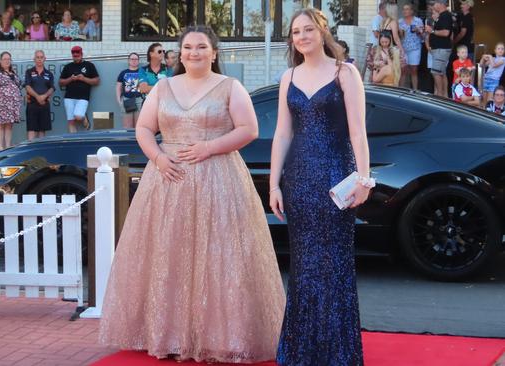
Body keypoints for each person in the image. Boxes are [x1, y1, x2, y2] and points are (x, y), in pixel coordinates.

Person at [99, 25, 285, 363]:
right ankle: (167, 334)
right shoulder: (164, 87)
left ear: (214, 52)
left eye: (201, 47)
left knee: (219, 258)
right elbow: (143, 127)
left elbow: (249, 129)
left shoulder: (230, 87)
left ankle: (221, 336)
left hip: (219, 181)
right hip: (168, 180)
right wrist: (156, 157)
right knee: (168, 255)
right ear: (179, 54)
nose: (194, 53)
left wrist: (209, 147)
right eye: (187, 47)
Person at [271, 8, 370, 365]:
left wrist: (364, 178)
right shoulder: (288, 77)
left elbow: (358, 132)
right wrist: (274, 184)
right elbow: (283, 133)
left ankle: (337, 353)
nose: (301, 36)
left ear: (322, 31)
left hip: (335, 179)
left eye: (308, 29)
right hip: (298, 180)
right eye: (296, 32)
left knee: (334, 263)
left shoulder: (346, 73)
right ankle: (301, 350)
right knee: (303, 264)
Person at [0, 52, 22, 151]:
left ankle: (7, 147)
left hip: (12, 105)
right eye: (5, 59)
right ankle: (0, 148)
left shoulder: (13, 73)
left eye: (9, 59)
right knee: (0, 125)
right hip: (0, 103)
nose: (7, 61)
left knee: (9, 125)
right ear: (0, 60)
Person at [59, 46, 99, 132]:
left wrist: (83, 78)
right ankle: (73, 142)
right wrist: (70, 79)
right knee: (71, 121)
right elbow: (61, 82)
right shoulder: (68, 67)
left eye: (78, 54)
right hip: (69, 97)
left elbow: (96, 81)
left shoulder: (89, 65)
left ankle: (84, 118)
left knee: (78, 116)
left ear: (81, 54)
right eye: (74, 55)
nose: (76, 56)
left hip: (83, 97)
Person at [24, 50, 55, 140]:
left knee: (42, 130)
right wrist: (38, 97)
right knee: (31, 129)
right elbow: (27, 86)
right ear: (34, 59)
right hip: (32, 104)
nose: (39, 59)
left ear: (45, 59)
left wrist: (44, 96)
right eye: (37, 57)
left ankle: (39, 151)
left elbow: (52, 88)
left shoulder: (49, 74)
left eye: (41, 57)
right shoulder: (29, 72)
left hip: (44, 104)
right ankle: (31, 150)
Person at [426, 0, 453, 97]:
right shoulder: (442, 16)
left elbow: (446, 33)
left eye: (435, 3)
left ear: (441, 4)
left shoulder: (446, 15)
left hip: (441, 49)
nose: (434, 6)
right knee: (442, 73)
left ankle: (440, 96)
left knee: (436, 73)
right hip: (439, 49)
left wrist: (432, 30)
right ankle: (444, 95)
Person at [399, 3, 424, 89]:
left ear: (411, 11)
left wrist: (418, 31)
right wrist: (400, 33)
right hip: (403, 49)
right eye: (404, 9)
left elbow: (423, 37)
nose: (405, 11)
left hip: (415, 48)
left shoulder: (418, 21)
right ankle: (401, 90)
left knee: (414, 70)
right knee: (403, 70)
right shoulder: (400, 22)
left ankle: (415, 91)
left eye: (407, 9)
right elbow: (398, 37)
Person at [116, 52, 143, 128]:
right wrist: (119, 100)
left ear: (138, 61)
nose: (134, 61)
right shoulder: (123, 73)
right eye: (132, 59)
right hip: (127, 100)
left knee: (139, 126)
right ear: (128, 60)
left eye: (136, 59)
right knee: (128, 126)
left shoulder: (142, 72)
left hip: (139, 100)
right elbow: (118, 87)